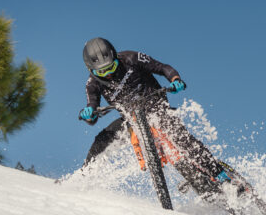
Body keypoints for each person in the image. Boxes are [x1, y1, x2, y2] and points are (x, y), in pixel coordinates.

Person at [79, 37, 230, 192]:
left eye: (111, 67)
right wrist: (89, 113)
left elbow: (163, 68)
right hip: (131, 119)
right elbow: (93, 114)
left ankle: (221, 175)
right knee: (102, 140)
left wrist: (175, 79)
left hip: (157, 109)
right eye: (101, 72)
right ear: (90, 70)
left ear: (116, 58)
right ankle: (81, 178)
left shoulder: (131, 58)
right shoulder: (92, 84)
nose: (108, 74)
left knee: (181, 138)